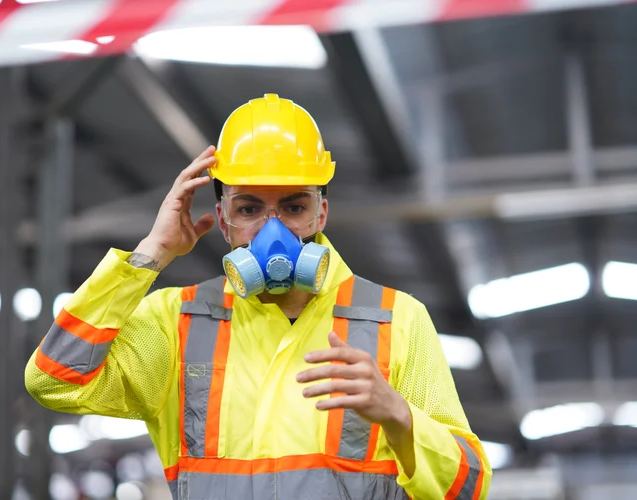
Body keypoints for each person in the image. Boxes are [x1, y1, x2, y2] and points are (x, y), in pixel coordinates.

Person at [25, 94, 491, 500]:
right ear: (222, 219)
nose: (273, 231)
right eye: (248, 208)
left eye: (293, 206)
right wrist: (150, 254)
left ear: (321, 212)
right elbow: (56, 381)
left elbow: (468, 487)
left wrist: (398, 415)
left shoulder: (397, 320)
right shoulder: (174, 322)